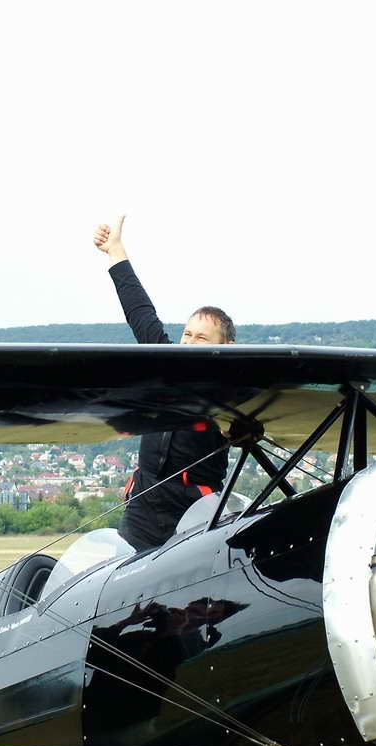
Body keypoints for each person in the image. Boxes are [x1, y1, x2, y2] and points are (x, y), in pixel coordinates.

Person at [93, 216, 234, 551]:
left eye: (201, 338)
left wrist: (234, 427)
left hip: (194, 512)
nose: (190, 342)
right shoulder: (165, 361)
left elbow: (243, 429)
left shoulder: (231, 395)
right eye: (187, 334)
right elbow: (140, 312)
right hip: (143, 505)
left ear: (226, 348)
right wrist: (115, 251)